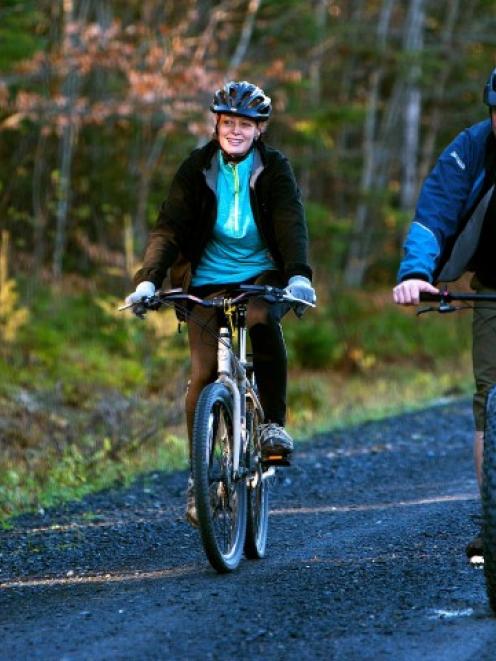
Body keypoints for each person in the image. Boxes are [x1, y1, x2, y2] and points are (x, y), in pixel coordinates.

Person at [125, 80, 316, 526]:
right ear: (216, 125)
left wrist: (299, 276)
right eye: (227, 122)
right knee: (202, 373)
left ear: (259, 130)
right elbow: (169, 228)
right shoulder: (196, 167)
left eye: (244, 124)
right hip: (206, 280)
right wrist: (148, 281)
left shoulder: (274, 168)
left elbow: (291, 222)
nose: (234, 131)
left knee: (265, 320)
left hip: (261, 276)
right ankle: (199, 477)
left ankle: (271, 423)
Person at [393, 67, 496, 561]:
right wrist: (416, 272)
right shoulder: (471, 148)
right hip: (494, 287)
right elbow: (434, 214)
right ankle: (495, 522)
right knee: (490, 400)